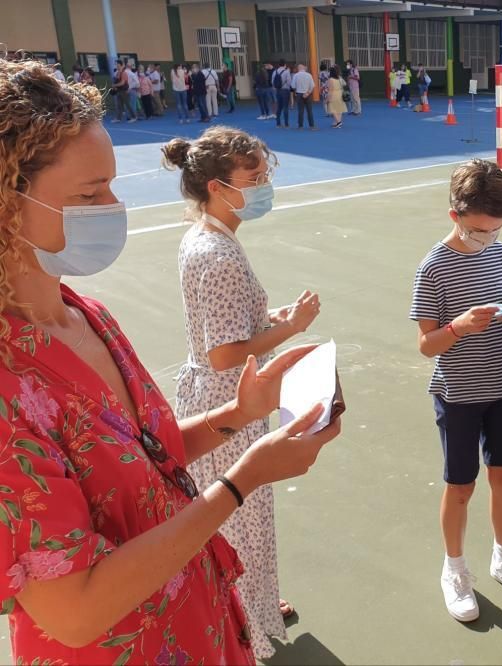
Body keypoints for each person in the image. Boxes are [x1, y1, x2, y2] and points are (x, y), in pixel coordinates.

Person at [0, 57, 341, 666]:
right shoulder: (9, 384)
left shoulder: (88, 316)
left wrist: (235, 415)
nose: (112, 205)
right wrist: (242, 480)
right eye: (88, 193)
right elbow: (72, 611)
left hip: (198, 627)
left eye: (111, 185)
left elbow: (145, 462)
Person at [163, 126, 323, 660]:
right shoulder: (219, 255)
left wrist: (266, 317)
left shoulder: (205, 238)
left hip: (221, 400)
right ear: (216, 186)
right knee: (240, 516)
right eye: (252, 179)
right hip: (228, 402)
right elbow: (226, 354)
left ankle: (250, 603)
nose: (262, 187)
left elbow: (223, 330)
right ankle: (243, 618)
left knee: (237, 514)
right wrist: (293, 326)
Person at [409, 159, 502, 623]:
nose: (487, 239)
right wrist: (459, 326)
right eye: (478, 232)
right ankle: (454, 569)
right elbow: (428, 344)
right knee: (461, 484)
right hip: (458, 395)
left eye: (495, 230)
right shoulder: (433, 268)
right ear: (455, 216)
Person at [291, 63, 316, 130]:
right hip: (308, 94)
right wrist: (308, 93)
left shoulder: (295, 75)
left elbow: (293, 86)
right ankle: (312, 126)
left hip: (299, 94)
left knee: (300, 111)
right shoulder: (309, 75)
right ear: (304, 68)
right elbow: (312, 86)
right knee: (309, 111)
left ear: (298, 68)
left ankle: (300, 126)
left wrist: (296, 91)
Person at [325, 64, 347, 128]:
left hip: (334, 95)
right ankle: (337, 122)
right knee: (339, 109)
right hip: (340, 93)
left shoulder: (330, 80)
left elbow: (330, 90)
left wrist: (327, 99)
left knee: (332, 109)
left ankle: (338, 122)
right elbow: (345, 84)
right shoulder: (340, 78)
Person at [273, 60, 292, 128]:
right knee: (285, 107)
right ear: (285, 65)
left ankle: (278, 123)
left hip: (278, 91)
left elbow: (273, 82)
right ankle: (286, 124)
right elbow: (289, 82)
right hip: (285, 90)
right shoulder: (287, 72)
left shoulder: (275, 72)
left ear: (279, 64)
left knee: (279, 107)